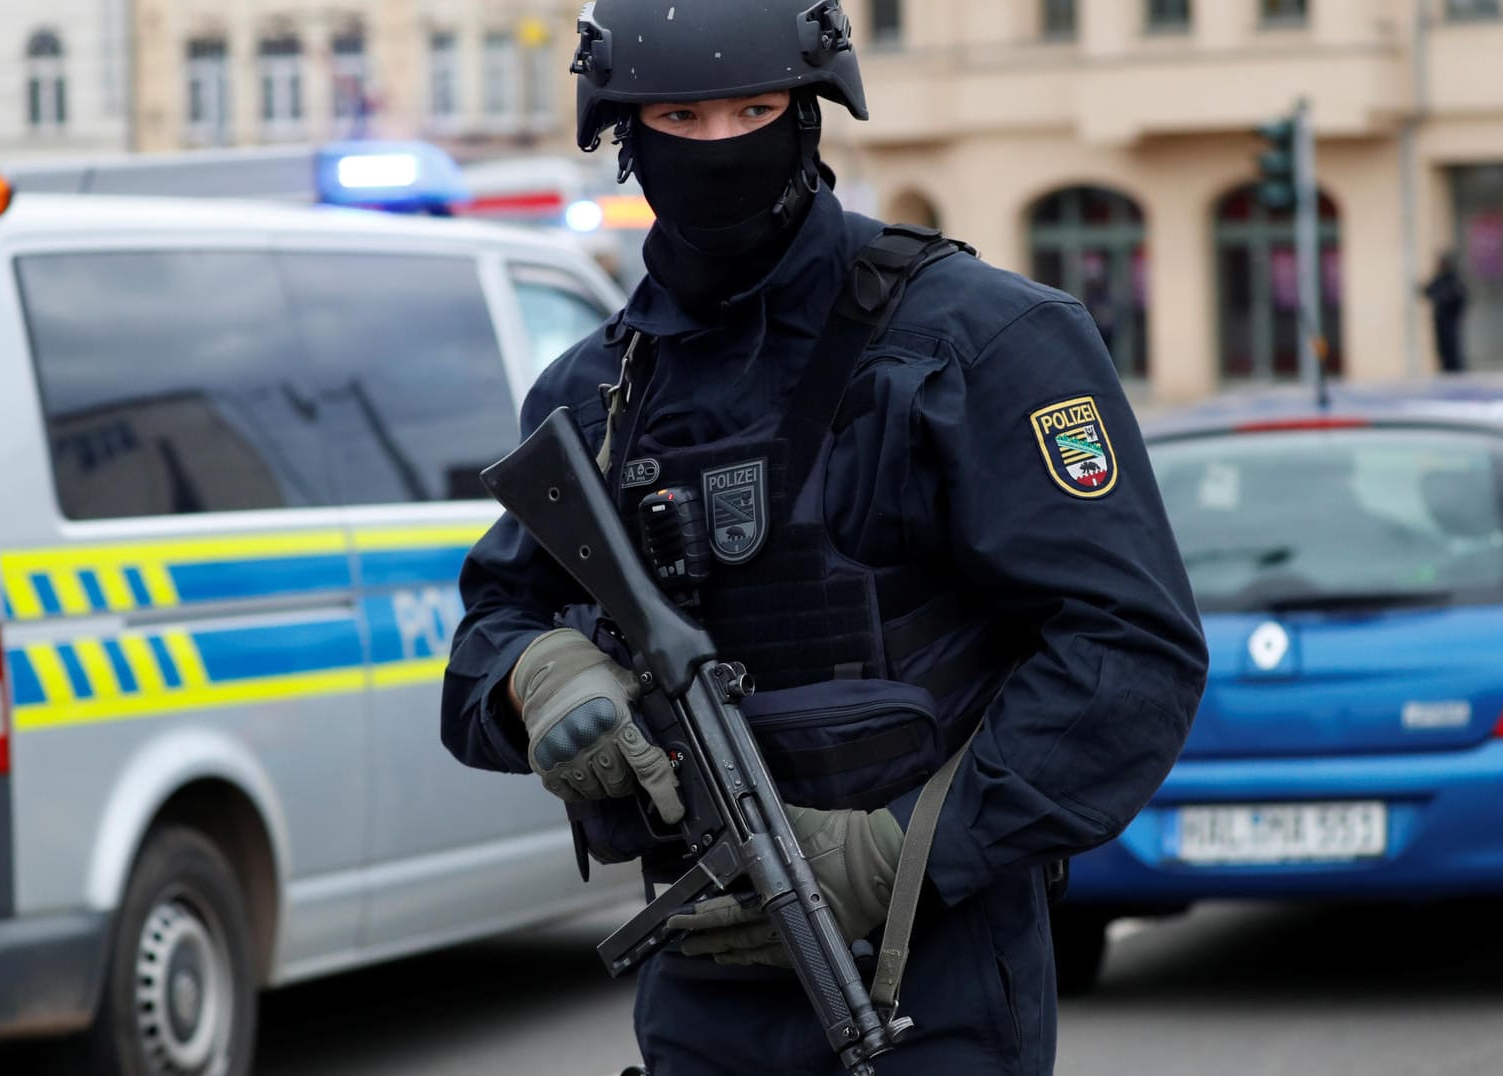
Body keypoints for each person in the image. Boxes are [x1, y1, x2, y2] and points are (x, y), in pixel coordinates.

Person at [440, 2, 1208, 1072]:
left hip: (930, 976)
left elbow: (1131, 652)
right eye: (681, 114)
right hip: (702, 982)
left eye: (753, 109)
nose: (719, 145)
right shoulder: (597, 394)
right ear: (626, 133)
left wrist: (896, 849)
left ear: (809, 115)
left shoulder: (983, 342)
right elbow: (492, 625)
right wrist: (542, 675)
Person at [1422, 251, 1469, 374]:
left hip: (1451, 319)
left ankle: (1455, 369)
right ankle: (1446, 368)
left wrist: (1447, 299)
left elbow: (1461, 297)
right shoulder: (1439, 279)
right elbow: (1428, 291)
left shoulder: (1454, 279)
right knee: (1442, 348)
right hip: (1440, 319)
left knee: (1452, 346)